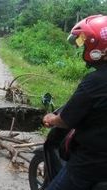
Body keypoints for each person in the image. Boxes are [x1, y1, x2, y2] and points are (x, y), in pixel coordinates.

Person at [43, 15, 107, 190]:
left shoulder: (95, 81)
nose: (83, 47)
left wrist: (51, 118)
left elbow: (65, 120)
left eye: (86, 43)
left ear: (98, 47)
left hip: (91, 164)